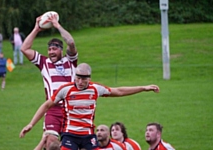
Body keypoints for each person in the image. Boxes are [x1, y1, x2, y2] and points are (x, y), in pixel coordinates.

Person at [19, 63, 160, 150]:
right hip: (70, 134)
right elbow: (46, 105)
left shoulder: (95, 89)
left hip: (88, 135)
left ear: (89, 78)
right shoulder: (65, 89)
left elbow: (119, 91)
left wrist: (143, 88)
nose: (80, 82)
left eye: (84, 79)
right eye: (78, 78)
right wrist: (31, 124)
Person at [20, 14, 78, 149]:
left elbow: (71, 42)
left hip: (71, 109)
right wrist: (36, 29)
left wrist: (57, 25)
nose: (51, 52)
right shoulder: (44, 62)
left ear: (61, 50)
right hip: (52, 109)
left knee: (70, 145)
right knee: (50, 142)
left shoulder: (70, 60)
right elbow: (24, 49)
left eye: (54, 49)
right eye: (49, 49)